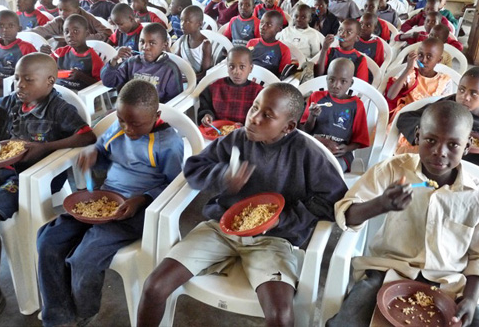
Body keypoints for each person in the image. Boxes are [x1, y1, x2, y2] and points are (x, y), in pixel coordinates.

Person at [137, 82, 348, 326]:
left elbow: (333, 201)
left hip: (273, 240)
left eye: (267, 115)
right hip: (221, 228)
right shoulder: (237, 139)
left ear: (288, 126)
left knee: (280, 315)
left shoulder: (306, 153)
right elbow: (194, 168)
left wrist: (285, 219)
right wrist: (222, 176)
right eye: (254, 108)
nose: (254, 118)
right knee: (154, 286)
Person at [329, 100, 479, 327]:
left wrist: (471, 300)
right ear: (417, 136)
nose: (439, 152)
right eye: (431, 140)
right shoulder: (393, 169)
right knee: (349, 320)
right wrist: (380, 205)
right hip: (387, 273)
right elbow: (347, 214)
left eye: (453, 145)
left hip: (450, 284)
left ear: (466, 148)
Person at [37, 79, 183, 327]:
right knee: (48, 239)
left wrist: (142, 199)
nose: (127, 128)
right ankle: (58, 315)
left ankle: (84, 311)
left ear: (156, 115)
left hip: (137, 211)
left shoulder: (168, 143)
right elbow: (102, 151)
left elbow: (175, 186)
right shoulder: (117, 127)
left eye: (136, 124)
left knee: (84, 257)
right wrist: (93, 154)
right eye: (122, 120)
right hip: (103, 199)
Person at [0, 53, 96, 324]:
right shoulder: (12, 101)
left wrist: (45, 148)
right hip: (2, 168)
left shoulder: (57, 108)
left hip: (28, 178)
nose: (19, 86)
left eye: (27, 80)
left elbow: (87, 134)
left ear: (49, 82)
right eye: (16, 79)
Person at [397, 67, 479, 170]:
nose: (465, 97)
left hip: (478, 170)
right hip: (439, 164)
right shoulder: (447, 106)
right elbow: (406, 118)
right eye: (462, 90)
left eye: (474, 93)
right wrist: (434, 132)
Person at [301, 58, 369, 173]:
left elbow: (359, 139)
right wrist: (312, 116)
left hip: (339, 155)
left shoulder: (357, 105)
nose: (336, 85)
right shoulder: (316, 97)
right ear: (326, 79)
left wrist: (347, 148)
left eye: (343, 81)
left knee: (330, 170)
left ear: (351, 83)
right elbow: (305, 130)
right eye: (332, 80)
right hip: (313, 148)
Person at [101, 23, 182, 103]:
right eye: (142, 42)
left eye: (152, 43)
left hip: (155, 112)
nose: (145, 47)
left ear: (164, 45)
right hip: (129, 109)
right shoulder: (131, 63)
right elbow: (108, 81)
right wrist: (114, 59)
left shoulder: (170, 70)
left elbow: (174, 101)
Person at [385, 38, 451, 121]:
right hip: (406, 118)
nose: (423, 60)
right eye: (420, 55)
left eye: (429, 56)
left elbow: (445, 109)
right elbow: (391, 96)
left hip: (429, 121)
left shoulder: (444, 81)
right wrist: (408, 69)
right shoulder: (411, 74)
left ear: (439, 60)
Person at [199, 46, 263, 126]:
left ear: (250, 68)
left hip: (246, 133)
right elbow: (205, 106)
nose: (236, 71)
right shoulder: (215, 87)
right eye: (231, 67)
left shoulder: (259, 92)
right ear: (227, 67)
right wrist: (207, 115)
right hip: (218, 130)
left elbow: (261, 117)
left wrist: (248, 126)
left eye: (242, 67)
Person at [42, 15, 104, 91]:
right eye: (66, 32)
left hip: (80, 96)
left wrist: (82, 77)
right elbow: (44, 66)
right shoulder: (60, 52)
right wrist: (43, 54)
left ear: (87, 34)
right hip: (59, 91)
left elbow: (101, 84)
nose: (70, 35)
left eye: (75, 31)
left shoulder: (93, 58)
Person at [0, 11, 36, 101]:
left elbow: (33, 72)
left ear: (19, 28)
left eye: (10, 26)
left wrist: (5, 82)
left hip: (15, 86)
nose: (5, 30)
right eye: (1, 26)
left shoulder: (26, 48)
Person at [31, 0, 112, 42]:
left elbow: (107, 33)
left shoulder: (88, 18)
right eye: (60, 9)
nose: (62, 13)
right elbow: (43, 30)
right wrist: (24, 34)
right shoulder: (60, 20)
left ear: (76, 10)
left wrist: (82, 39)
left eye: (66, 10)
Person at [247, 11, 291, 77]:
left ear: (279, 29)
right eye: (261, 23)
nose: (263, 27)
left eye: (269, 25)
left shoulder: (284, 50)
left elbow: (282, 76)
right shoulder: (252, 43)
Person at [175, 6, 212, 81]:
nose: (182, 24)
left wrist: (187, 79)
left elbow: (205, 73)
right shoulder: (183, 39)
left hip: (195, 81)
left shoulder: (205, 44)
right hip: (182, 76)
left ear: (199, 24)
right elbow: (176, 60)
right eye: (181, 20)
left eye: (188, 21)